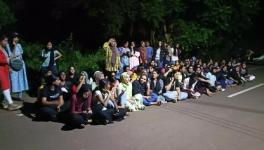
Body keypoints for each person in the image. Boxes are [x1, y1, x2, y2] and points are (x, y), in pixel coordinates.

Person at [0, 35, 22, 110]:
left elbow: (8, 58)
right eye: (5, 41)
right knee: (5, 85)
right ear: (1, 41)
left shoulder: (4, 48)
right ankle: (10, 103)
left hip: (4, 69)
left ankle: (5, 102)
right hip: (0, 70)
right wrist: (8, 60)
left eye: (7, 41)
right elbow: (2, 60)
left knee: (6, 86)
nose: (6, 42)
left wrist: (9, 66)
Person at [6, 32, 29, 100]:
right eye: (15, 37)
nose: (16, 39)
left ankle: (20, 96)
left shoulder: (19, 45)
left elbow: (21, 54)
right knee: (12, 79)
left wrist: (22, 62)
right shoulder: (8, 45)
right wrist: (14, 46)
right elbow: (11, 56)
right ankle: (8, 96)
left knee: (21, 79)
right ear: (12, 38)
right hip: (13, 64)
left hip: (20, 64)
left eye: (17, 37)